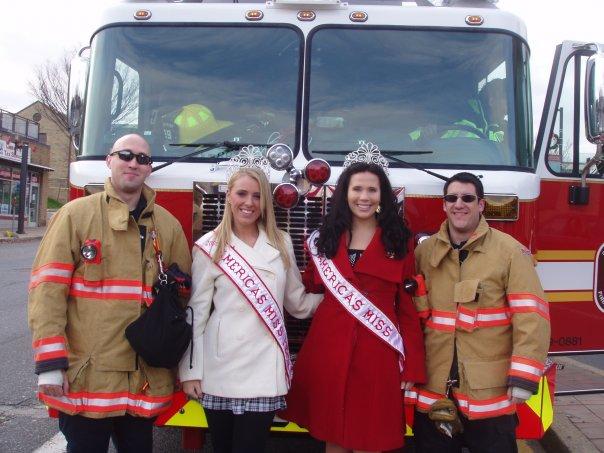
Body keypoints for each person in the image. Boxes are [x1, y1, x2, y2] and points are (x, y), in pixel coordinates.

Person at [28, 134, 192, 452]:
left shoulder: (168, 227)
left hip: (141, 379)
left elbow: (181, 298)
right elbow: (47, 290)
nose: (133, 163)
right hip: (87, 376)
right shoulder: (75, 216)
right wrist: (50, 363)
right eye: (125, 155)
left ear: (149, 168)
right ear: (109, 161)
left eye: (142, 159)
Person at [281, 157, 426, 453]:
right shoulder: (326, 239)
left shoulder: (399, 241)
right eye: (357, 189)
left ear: (382, 196)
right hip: (329, 347)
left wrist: (413, 367)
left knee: (368, 438)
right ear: (345, 193)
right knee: (332, 434)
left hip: (377, 352)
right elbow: (312, 287)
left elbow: (408, 310)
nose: (364, 197)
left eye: (372, 190)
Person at [179, 166, 323, 453]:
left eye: (257, 196)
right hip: (220, 366)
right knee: (222, 448)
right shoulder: (209, 247)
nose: (249, 202)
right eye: (242, 193)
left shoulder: (280, 242)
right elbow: (195, 314)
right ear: (229, 197)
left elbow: (296, 302)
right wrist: (190, 371)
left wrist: (335, 301)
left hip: (264, 368)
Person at [412, 172, 550, 452]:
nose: (458, 204)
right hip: (434, 392)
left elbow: (531, 318)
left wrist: (523, 377)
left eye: (467, 198)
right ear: (444, 205)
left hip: (490, 396)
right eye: (451, 198)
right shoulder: (424, 253)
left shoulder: (511, 252)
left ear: (481, 205)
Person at [409, 78, 508, 143]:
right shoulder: (455, 114)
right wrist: (423, 138)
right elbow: (416, 135)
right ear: (492, 101)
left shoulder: (498, 128)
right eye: (507, 102)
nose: (508, 111)